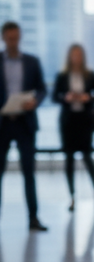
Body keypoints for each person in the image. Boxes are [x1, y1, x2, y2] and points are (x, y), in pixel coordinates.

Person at [0, 21, 48, 232]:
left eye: (17, 38)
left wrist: (35, 101)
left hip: (24, 123)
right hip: (2, 124)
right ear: (3, 38)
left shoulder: (32, 62)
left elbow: (42, 89)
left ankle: (33, 218)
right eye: (10, 38)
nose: (14, 42)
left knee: (29, 172)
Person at [53, 44, 94, 211]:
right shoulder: (62, 76)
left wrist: (87, 97)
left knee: (88, 157)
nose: (76, 58)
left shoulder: (90, 75)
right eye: (73, 55)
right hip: (68, 123)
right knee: (69, 160)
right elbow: (55, 96)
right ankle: (72, 196)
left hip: (85, 122)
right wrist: (66, 97)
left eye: (79, 55)